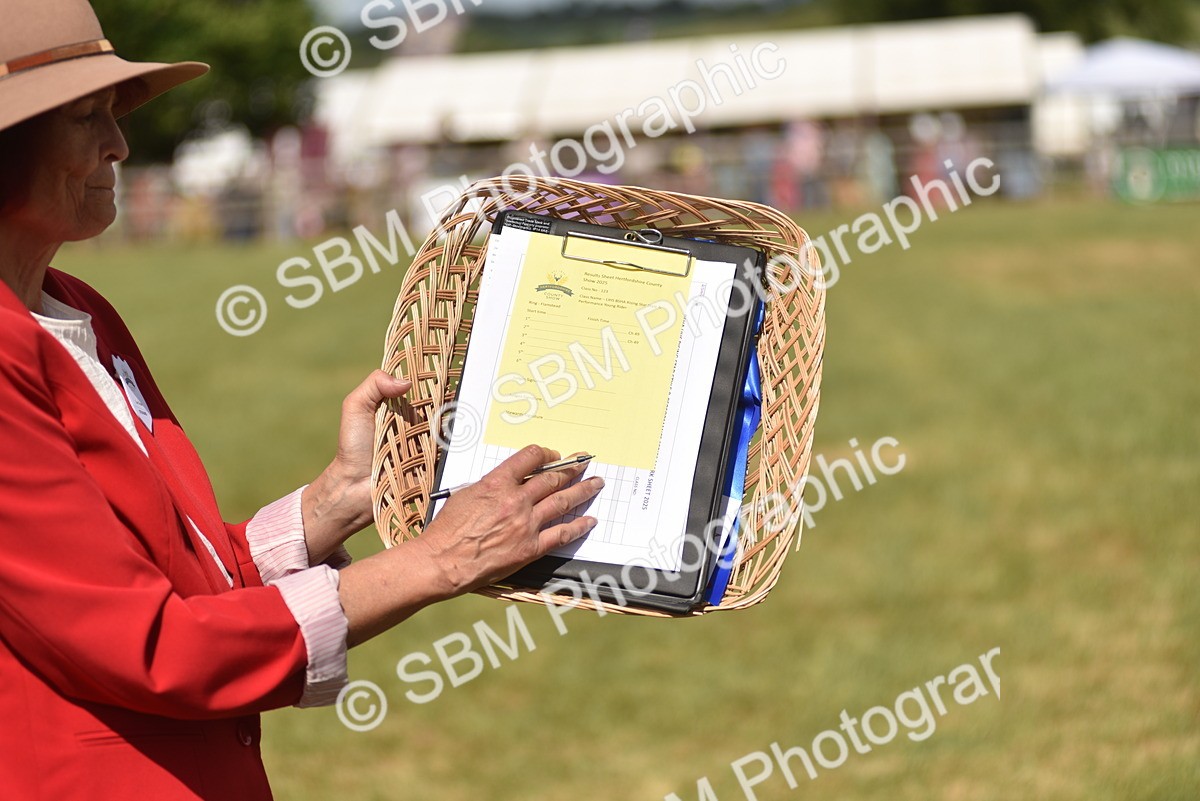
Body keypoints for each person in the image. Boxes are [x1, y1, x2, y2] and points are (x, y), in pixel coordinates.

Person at [0, 2, 604, 799]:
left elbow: (174, 578)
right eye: (86, 117)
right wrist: (436, 559)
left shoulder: (76, 306)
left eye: (113, 113)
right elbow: (154, 643)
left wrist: (338, 500)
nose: (119, 143)